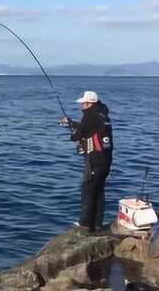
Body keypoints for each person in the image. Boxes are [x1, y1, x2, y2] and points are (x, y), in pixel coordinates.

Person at [59, 91, 113, 233]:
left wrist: (73, 131)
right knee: (99, 192)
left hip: (94, 160)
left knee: (88, 190)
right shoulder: (103, 116)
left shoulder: (89, 117)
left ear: (89, 103)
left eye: (83, 103)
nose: (81, 106)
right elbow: (89, 130)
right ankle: (97, 225)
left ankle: (84, 225)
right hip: (106, 161)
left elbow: (76, 136)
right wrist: (70, 122)